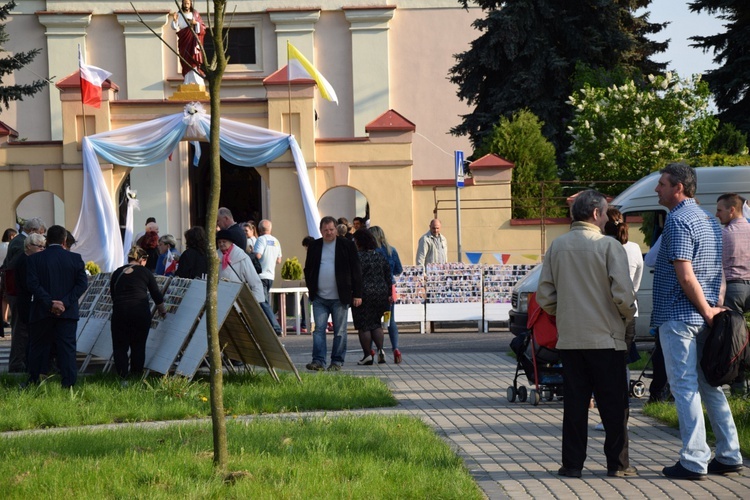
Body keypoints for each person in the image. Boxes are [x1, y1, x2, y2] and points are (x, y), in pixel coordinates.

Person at [536, 189, 637, 479]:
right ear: (595, 213)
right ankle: (617, 464)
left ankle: (572, 464)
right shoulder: (609, 247)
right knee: (614, 406)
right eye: (605, 213)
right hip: (607, 338)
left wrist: (563, 313)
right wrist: (626, 315)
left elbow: (545, 295)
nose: (607, 218)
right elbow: (623, 294)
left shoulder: (557, 246)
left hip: (570, 338)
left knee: (575, 405)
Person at [652, 162, 743, 480]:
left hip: (680, 316)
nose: (657, 189)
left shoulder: (678, 220)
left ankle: (693, 460)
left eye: (662, 183)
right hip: (705, 315)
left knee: (684, 386)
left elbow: (685, 272)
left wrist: (705, 310)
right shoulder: (708, 220)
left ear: (678, 187)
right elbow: (718, 273)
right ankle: (730, 454)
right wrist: (713, 308)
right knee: (710, 385)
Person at [593, 208, 644, 431]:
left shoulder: (600, 246)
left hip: (604, 311)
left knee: (603, 365)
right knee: (621, 364)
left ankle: (607, 417)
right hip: (629, 311)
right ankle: (622, 415)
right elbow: (636, 282)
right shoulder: (633, 248)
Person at [25, 225, 88, 388]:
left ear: (46, 240)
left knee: (38, 347)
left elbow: (33, 284)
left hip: (41, 311)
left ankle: (34, 381)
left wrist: (49, 302)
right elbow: (81, 285)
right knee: (67, 349)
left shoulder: (34, 259)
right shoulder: (75, 259)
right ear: (64, 240)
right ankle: (69, 384)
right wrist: (64, 303)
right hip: (67, 313)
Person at [303, 216, 363, 371]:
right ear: (321, 231)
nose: (329, 233)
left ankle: (336, 362)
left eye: (331, 229)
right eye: (325, 230)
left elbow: (356, 269)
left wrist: (358, 294)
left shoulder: (346, 245)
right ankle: (318, 361)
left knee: (340, 332)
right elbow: (308, 269)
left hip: (340, 298)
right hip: (320, 298)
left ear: (336, 229)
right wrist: (312, 289)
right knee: (318, 331)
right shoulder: (315, 246)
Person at [110, 247, 167, 382]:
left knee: (120, 346)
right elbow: (156, 294)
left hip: (120, 312)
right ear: (142, 260)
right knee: (138, 345)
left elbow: (113, 294)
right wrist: (162, 310)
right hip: (139, 312)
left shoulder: (117, 272)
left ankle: (122, 378)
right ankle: (136, 376)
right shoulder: (145, 272)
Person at [715, 193, 750, 395]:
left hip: (733, 287)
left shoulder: (724, 234)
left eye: (720, 210)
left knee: (735, 337)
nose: (717, 214)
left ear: (732, 209)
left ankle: (738, 384)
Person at [217, 230, 282, 335]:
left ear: (231, 242)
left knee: (241, 332)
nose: (221, 244)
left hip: (239, 300)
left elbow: (254, 281)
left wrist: (255, 303)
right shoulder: (216, 257)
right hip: (223, 301)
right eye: (219, 242)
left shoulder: (242, 257)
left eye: (224, 241)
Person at [351, 229, 392, 365]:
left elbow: (355, 277)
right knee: (376, 323)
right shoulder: (380, 257)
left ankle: (367, 354)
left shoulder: (357, 257)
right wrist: (389, 294)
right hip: (381, 294)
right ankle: (381, 350)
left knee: (364, 326)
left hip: (363, 295)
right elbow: (388, 276)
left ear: (359, 242)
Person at [6, 233, 46, 372]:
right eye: (39, 246)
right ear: (29, 247)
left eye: (43, 246)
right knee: (21, 334)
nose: (42, 249)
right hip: (23, 303)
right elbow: (28, 284)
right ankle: (18, 364)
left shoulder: (26, 259)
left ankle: (22, 363)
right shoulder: (25, 260)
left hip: (22, 301)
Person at [3, 218, 45, 340]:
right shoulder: (22, 243)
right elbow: (17, 267)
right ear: (32, 230)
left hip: (16, 290)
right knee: (20, 332)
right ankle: (18, 360)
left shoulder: (18, 240)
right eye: (40, 232)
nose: (41, 235)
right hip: (18, 292)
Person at [370, 225, 403, 363]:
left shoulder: (371, 252)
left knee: (373, 321)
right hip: (389, 290)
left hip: (373, 290)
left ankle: (376, 349)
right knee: (389, 321)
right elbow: (398, 270)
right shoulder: (392, 250)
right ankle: (395, 348)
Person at [171, 0, 205, 85]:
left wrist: (195, 23)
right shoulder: (179, 14)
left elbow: (203, 27)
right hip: (184, 40)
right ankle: (187, 80)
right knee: (185, 59)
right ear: (182, 4)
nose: (186, 5)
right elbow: (174, 27)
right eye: (185, 3)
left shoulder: (195, 14)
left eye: (188, 3)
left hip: (193, 40)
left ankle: (196, 80)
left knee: (193, 58)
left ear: (190, 4)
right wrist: (174, 20)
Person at [254, 219, 282, 304]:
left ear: (260, 230)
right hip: (271, 276)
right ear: (270, 229)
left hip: (261, 275)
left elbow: (258, 255)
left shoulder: (261, 239)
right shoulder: (276, 241)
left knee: (262, 302)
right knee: (265, 300)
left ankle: (268, 317)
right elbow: (279, 260)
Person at [1, 227, 18, 330]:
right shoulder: (11, 246)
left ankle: (4, 318)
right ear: (11, 236)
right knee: (9, 297)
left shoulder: (0, 245)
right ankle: (8, 319)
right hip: (7, 273)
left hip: (1, 272)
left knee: (3, 299)